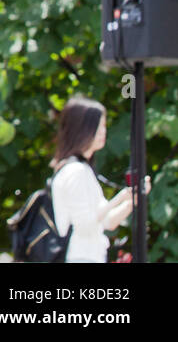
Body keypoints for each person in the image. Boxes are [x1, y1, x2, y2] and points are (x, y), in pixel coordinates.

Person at [51, 96, 149, 263]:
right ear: (83, 129)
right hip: (80, 257)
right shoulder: (76, 171)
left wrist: (133, 199)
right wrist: (122, 196)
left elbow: (107, 222)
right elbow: (85, 223)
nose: (103, 131)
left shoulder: (82, 169)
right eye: (99, 126)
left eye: (104, 126)